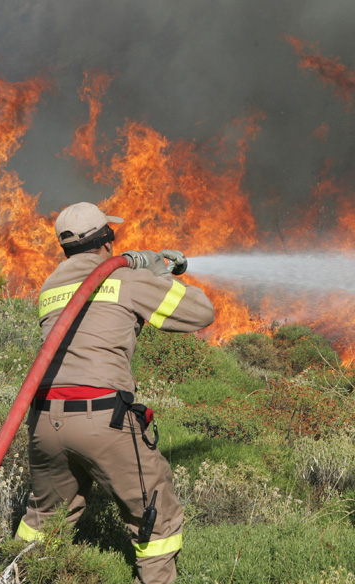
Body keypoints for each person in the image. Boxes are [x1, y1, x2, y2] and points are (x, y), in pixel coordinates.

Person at [16, 202, 215, 583]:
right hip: (103, 419)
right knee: (157, 520)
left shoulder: (51, 285)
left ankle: (27, 574)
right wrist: (160, 275)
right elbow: (200, 313)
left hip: (44, 421)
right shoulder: (126, 280)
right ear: (108, 242)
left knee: (43, 525)